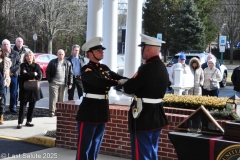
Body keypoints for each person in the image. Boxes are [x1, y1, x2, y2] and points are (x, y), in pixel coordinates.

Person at [75, 37, 127, 160]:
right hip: (89, 110)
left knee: (96, 142)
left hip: (102, 109)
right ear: (90, 53)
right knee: (85, 144)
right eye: (98, 50)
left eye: (102, 50)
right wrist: (118, 82)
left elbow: (119, 77)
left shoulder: (104, 68)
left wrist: (131, 82)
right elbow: (99, 82)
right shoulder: (86, 69)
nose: (102, 52)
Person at [121, 34, 169, 160]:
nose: (142, 50)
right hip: (156, 114)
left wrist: (124, 84)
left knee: (141, 154)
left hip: (143, 115)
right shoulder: (163, 67)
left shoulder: (146, 68)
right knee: (152, 152)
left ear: (147, 49)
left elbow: (129, 88)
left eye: (142, 47)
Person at [17, 51, 43, 129]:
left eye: (30, 56)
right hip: (25, 89)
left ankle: (29, 121)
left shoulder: (37, 66)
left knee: (32, 106)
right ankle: (20, 123)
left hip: (34, 89)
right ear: (25, 57)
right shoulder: (22, 66)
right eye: (27, 56)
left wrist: (28, 75)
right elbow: (22, 76)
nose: (29, 57)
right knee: (22, 106)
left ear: (33, 57)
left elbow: (39, 77)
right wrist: (33, 74)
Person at [46, 49, 73, 117]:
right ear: (57, 55)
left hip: (63, 83)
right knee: (53, 97)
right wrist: (50, 80)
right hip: (54, 82)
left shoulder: (68, 63)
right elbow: (47, 71)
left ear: (64, 55)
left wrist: (70, 83)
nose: (61, 56)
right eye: (59, 54)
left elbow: (70, 74)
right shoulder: (52, 62)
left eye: (62, 54)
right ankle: (52, 111)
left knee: (61, 98)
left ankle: (60, 111)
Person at [2, 39, 21, 113]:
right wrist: (5, 72)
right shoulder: (1, 54)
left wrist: (11, 71)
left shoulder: (15, 53)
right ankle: (3, 108)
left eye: (7, 44)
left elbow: (18, 63)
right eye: (4, 44)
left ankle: (13, 107)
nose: (6, 46)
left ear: (10, 45)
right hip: (4, 76)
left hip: (13, 75)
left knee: (13, 92)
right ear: (2, 46)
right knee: (4, 92)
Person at [0, 45, 12, 124]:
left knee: (2, 101)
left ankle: (1, 116)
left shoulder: (6, 60)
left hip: (3, 82)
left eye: (0, 50)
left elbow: (8, 70)